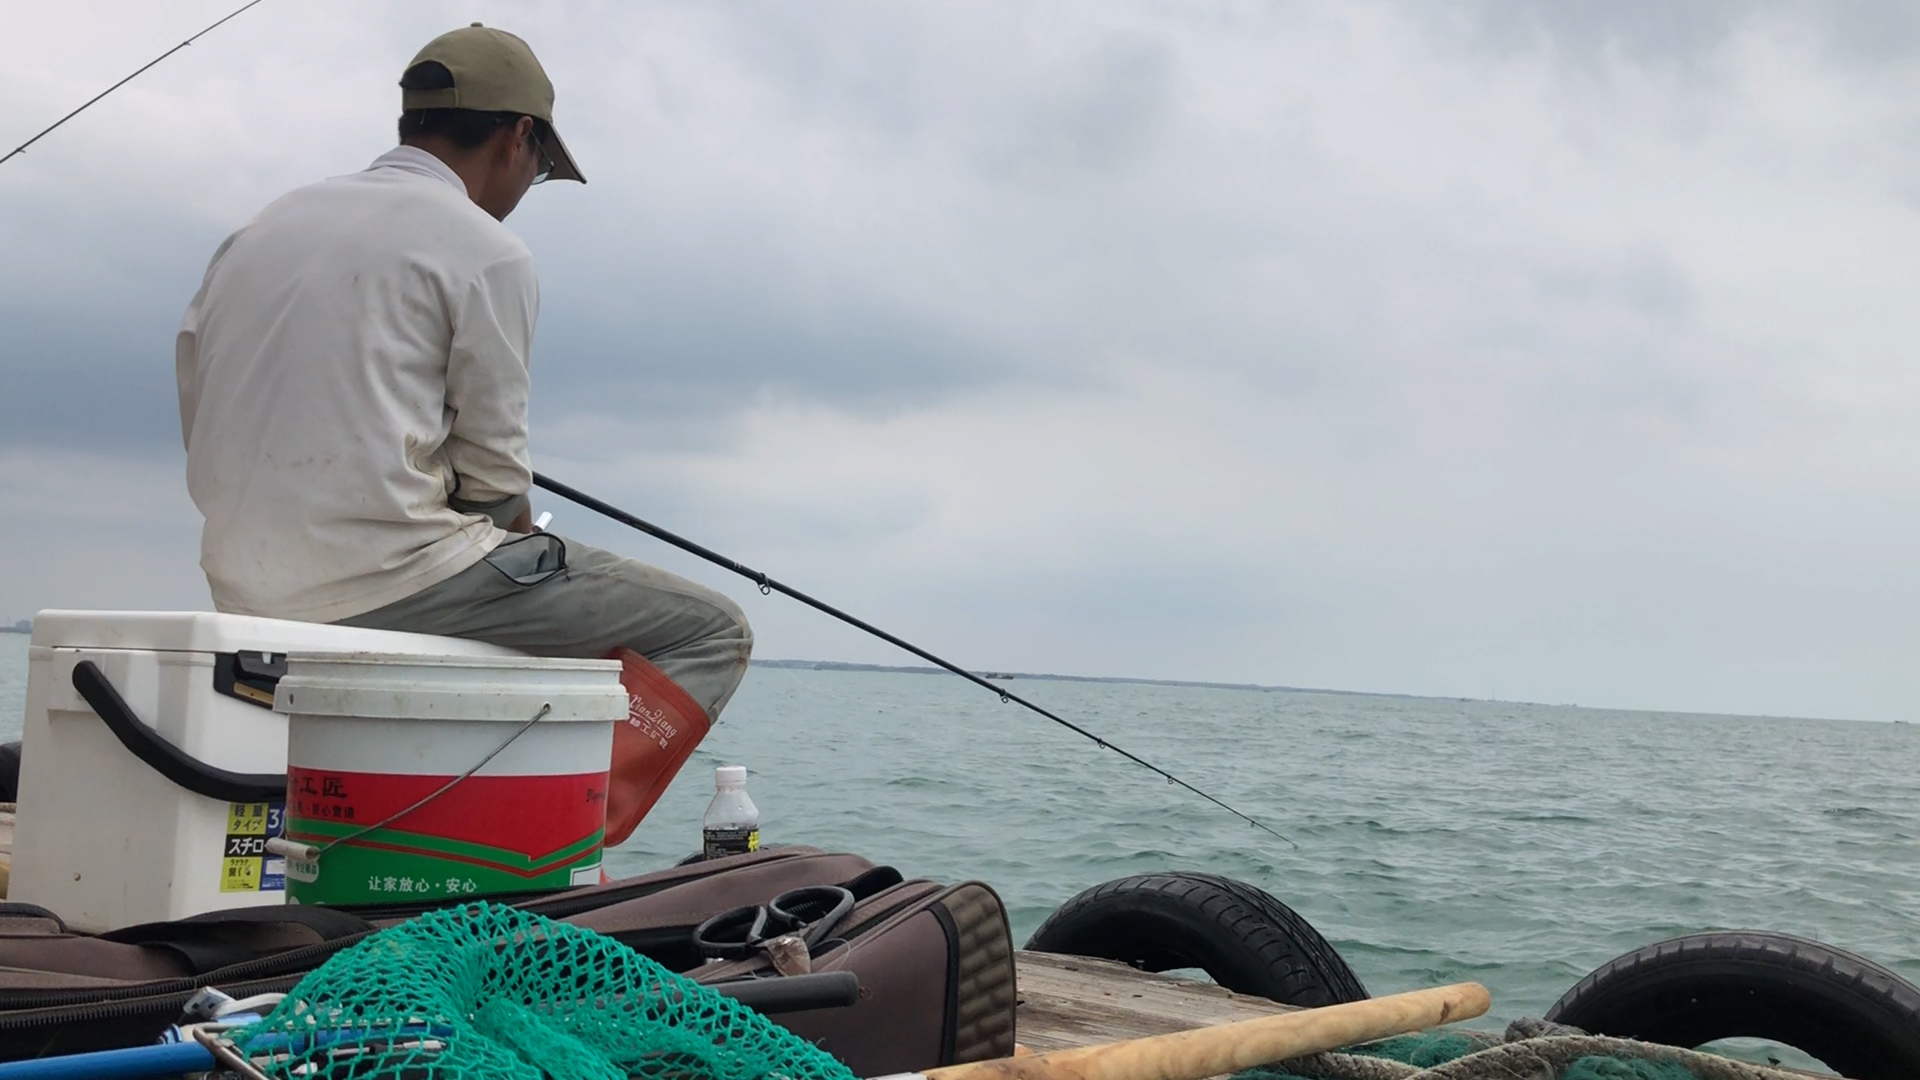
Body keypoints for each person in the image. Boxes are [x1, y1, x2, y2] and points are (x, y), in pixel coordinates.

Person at [175, 25, 751, 843]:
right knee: (711, 628)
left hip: (239, 582)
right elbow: (493, 483)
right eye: (544, 168)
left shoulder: (258, 230)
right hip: (389, 580)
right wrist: (508, 534)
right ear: (520, 137)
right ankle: (544, 841)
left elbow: (203, 416)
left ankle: (436, 806)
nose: (529, 185)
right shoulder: (488, 251)